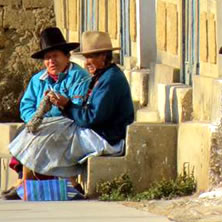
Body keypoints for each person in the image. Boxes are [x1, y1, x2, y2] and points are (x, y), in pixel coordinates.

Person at [5, 31, 134, 200]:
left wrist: (65, 105)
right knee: (37, 131)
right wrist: (38, 118)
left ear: (103, 57)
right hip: (93, 128)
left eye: (91, 57)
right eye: (86, 58)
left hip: (106, 136)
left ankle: (65, 183)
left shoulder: (107, 80)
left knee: (51, 136)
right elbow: (27, 106)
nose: (87, 63)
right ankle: (27, 180)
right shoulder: (102, 77)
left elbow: (90, 117)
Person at [1, 27, 89, 200]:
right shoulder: (37, 79)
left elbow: (77, 105)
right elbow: (26, 106)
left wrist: (55, 108)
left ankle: (27, 182)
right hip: (42, 123)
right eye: (47, 58)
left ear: (67, 56)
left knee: (39, 135)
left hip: (69, 122)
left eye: (55, 56)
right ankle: (23, 180)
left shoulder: (79, 77)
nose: (51, 61)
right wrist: (36, 117)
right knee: (27, 131)